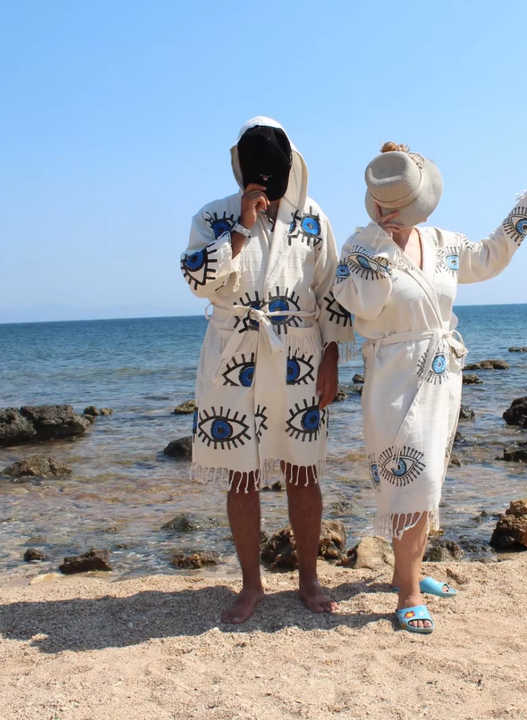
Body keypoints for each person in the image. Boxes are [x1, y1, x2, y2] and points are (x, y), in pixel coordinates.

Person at [333, 142, 527, 633]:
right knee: (409, 479)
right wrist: (383, 246)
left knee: (430, 477)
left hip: (441, 374)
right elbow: (364, 306)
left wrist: (524, 213)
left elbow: (487, 258)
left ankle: (406, 572)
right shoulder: (359, 247)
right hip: (393, 376)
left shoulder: (441, 242)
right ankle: (409, 593)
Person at [181, 116, 354, 623]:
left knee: (303, 470)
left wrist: (332, 357)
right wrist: (241, 227)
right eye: (257, 176)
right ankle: (251, 584)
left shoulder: (313, 218)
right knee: (241, 475)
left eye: (274, 177)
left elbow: (331, 290)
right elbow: (196, 280)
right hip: (234, 356)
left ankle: (309, 578)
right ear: (240, 169)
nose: (266, 187)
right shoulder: (213, 216)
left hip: (300, 356)